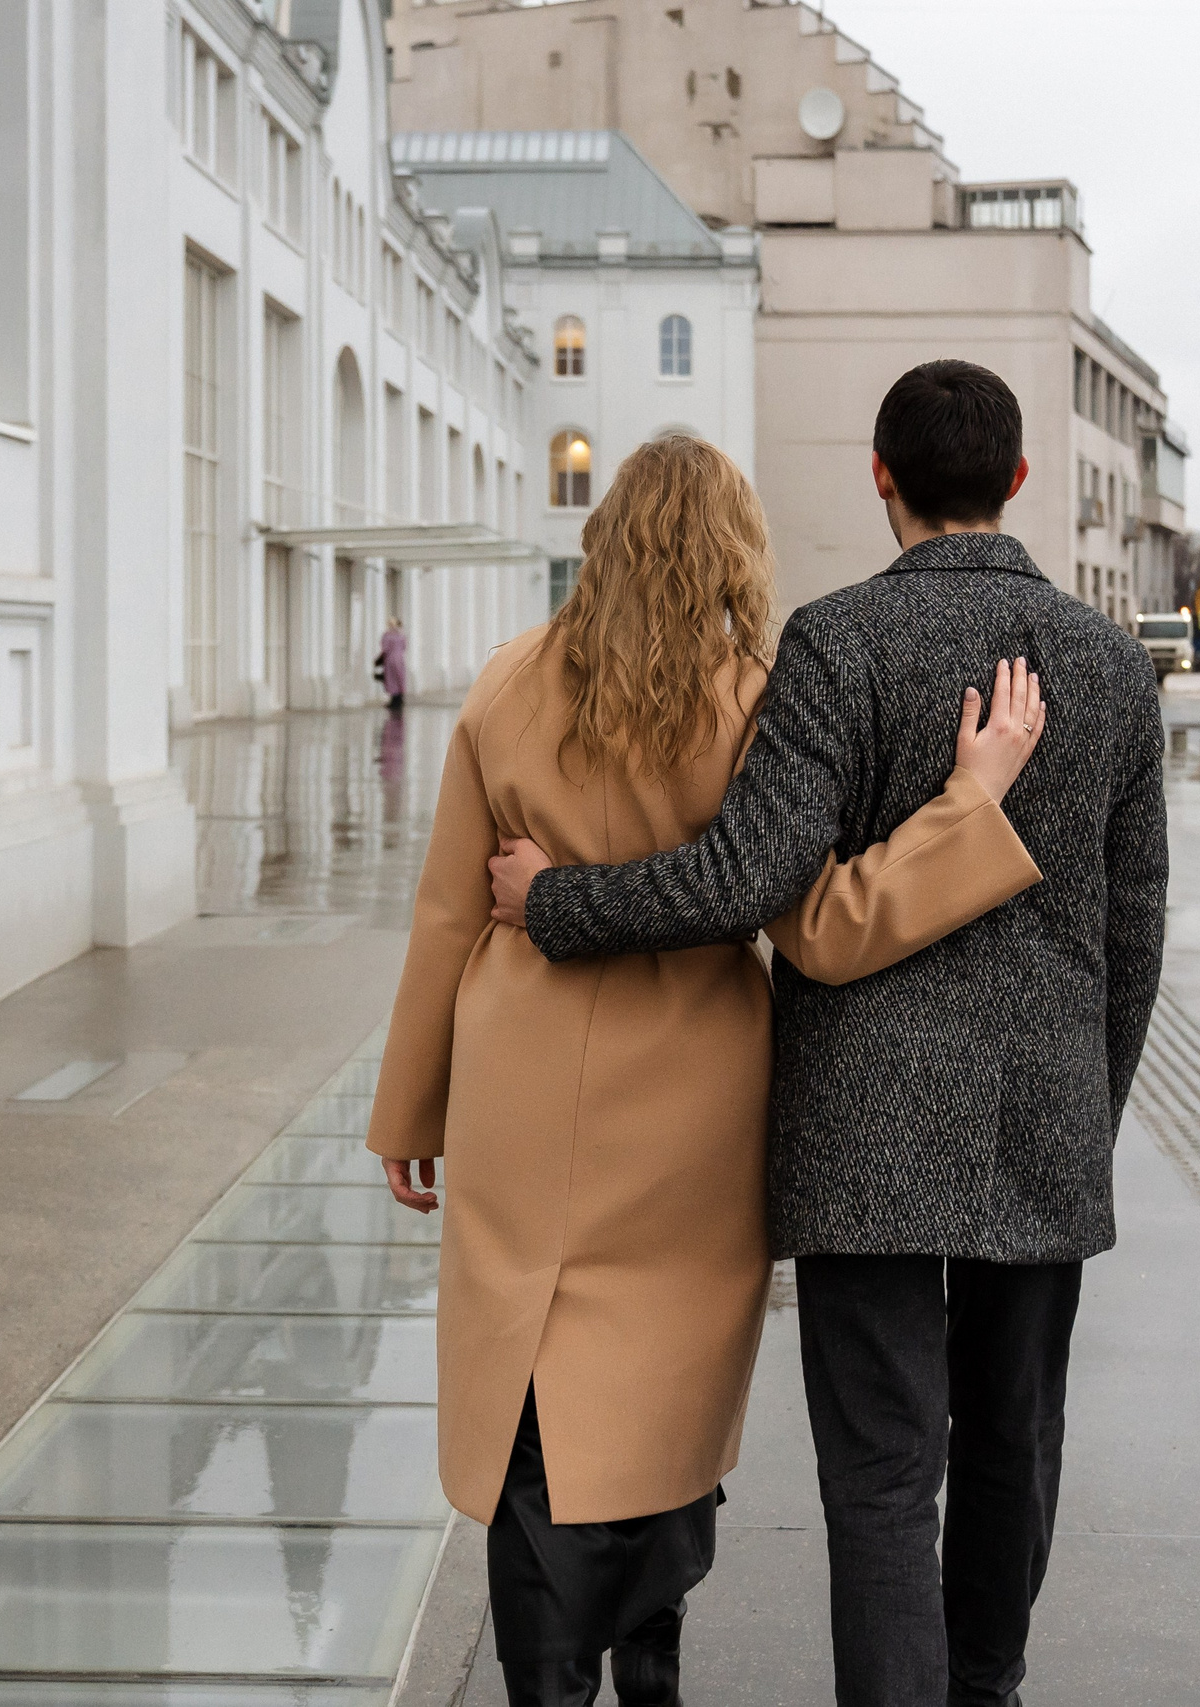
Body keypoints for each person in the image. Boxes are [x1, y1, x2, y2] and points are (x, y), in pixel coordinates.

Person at [489, 363, 1168, 1707]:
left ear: (880, 476)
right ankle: (986, 1687)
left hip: (860, 1128)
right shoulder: (1104, 662)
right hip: (1042, 1115)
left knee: (880, 1473)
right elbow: (1133, 927)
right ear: (1018, 479)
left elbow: (743, 875)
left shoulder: (836, 643)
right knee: (1012, 1444)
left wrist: (555, 901)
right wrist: (1086, 1112)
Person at [366, 432, 1052, 1707]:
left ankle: (545, 1671)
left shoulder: (506, 684)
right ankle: (650, 1663)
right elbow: (824, 924)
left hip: (521, 1077)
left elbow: (448, 910)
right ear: (735, 549)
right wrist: (970, 809)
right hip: (693, 1099)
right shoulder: (750, 702)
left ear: (602, 537)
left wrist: (411, 1108)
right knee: (661, 1400)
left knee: (528, 1376)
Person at [379, 616, 411, 710]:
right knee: (398, 677)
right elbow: (404, 647)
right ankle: (398, 698)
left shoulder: (388, 635)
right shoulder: (400, 635)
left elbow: (385, 648)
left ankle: (395, 699)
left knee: (393, 678)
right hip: (398, 658)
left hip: (391, 659)